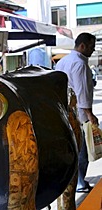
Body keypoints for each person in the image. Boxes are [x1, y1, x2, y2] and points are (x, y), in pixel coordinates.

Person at [55, 32, 97, 193]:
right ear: (83, 46)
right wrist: (90, 115)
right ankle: (79, 182)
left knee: (72, 149)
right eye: (92, 47)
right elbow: (82, 92)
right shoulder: (79, 64)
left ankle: (74, 181)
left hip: (64, 112)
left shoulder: (64, 61)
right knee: (81, 150)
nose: (93, 50)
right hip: (78, 114)